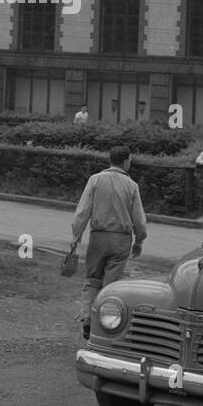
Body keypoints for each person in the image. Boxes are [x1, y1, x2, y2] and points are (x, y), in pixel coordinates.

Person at [71, 145, 148, 340]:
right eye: (130, 160)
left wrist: (76, 235)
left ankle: (87, 319)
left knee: (92, 279)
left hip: (98, 237)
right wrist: (139, 240)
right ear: (125, 161)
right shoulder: (132, 186)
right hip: (121, 240)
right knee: (110, 284)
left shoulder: (95, 180)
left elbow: (82, 211)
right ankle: (105, 324)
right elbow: (139, 220)